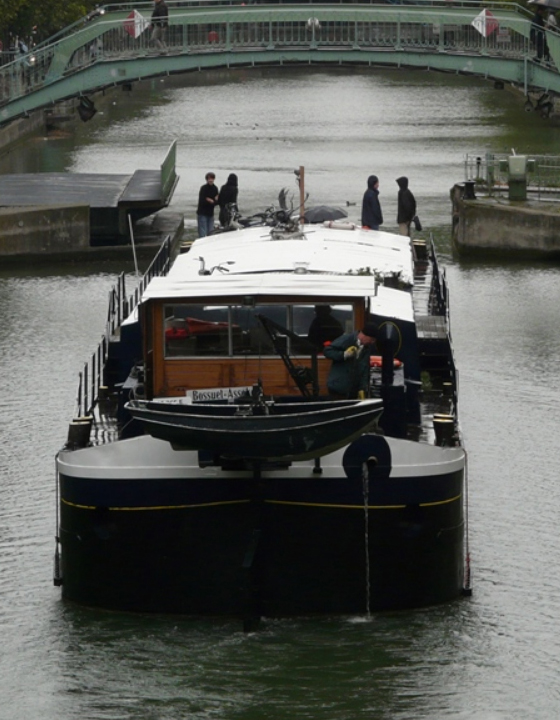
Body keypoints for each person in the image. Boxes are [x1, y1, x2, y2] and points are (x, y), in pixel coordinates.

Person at [323, 322, 378, 399]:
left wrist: (362, 388)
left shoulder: (367, 349)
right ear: (364, 336)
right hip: (338, 388)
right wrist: (344, 354)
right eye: (372, 339)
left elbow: (365, 369)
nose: (373, 342)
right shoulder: (347, 339)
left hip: (353, 391)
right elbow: (327, 351)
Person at [196, 172, 219, 237]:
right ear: (207, 179)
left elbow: (217, 201)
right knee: (203, 232)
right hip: (202, 213)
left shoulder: (215, 188)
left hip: (210, 213)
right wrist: (212, 201)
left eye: (212, 178)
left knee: (211, 232)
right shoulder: (203, 188)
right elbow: (202, 201)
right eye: (209, 178)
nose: (211, 180)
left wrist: (211, 200)